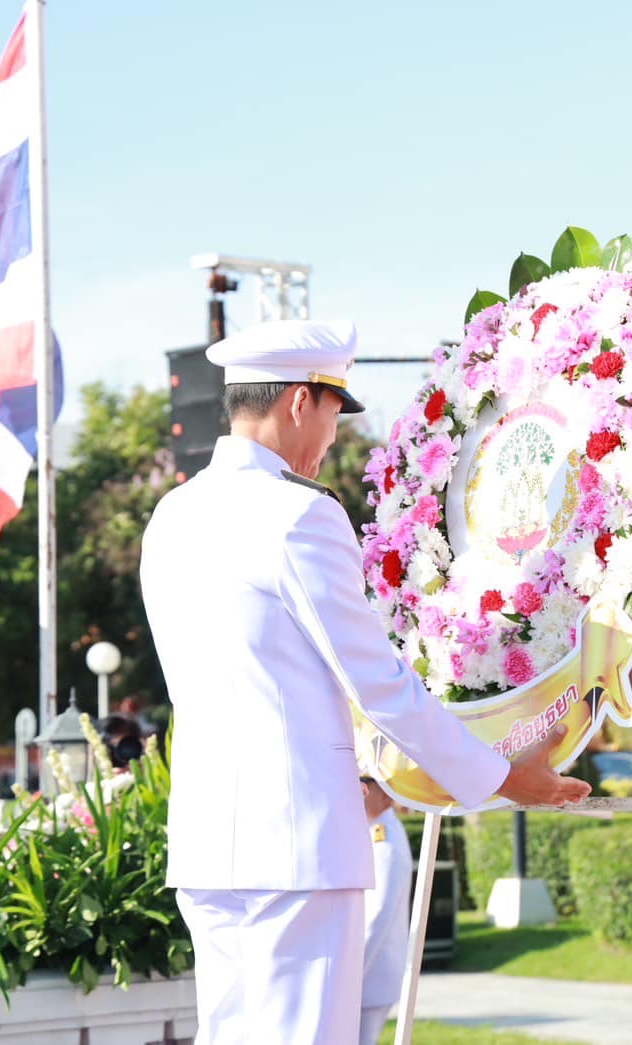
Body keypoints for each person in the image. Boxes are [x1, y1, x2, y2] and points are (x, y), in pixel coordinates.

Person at [140, 319, 589, 1045]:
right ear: (297, 403)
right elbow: (381, 686)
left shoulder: (171, 515)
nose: (331, 438)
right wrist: (502, 776)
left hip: (207, 845)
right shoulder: (298, 515)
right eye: (331, 413)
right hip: (298, 849)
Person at [358, 777, 411, 1045]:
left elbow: (377, 916)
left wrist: (350, 977)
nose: (359, 790)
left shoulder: (384, 840)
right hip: (367, 976)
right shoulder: (372, 830)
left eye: (366, 784)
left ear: (385, 793)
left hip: (369, 977)